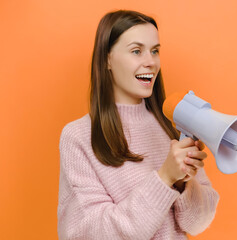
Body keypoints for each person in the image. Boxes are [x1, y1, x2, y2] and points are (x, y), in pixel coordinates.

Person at [57, 10, 219, 240]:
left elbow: (197, 223)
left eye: (155, 51)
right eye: (136, 51)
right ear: (107, 59)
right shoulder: (78, 137)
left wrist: (184, 183)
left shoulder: (172, 127)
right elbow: (89, 233)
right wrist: (164, 178)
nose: (151, 62)